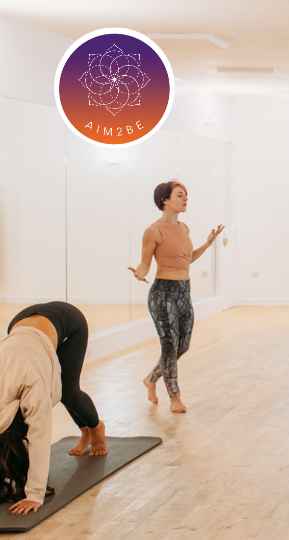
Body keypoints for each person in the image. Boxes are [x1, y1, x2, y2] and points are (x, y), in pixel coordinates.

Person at [0, 302, 107, 515]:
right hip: (20, 326)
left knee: (69, 392)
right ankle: (85, 430)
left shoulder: (33, 387)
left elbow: (39, 436)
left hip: (68, 322)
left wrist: (35, 494)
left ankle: (96, 429)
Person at [128, 179, 224, 413]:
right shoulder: (153, 231)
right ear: (165, 200)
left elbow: (187, 258)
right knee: (169, 346)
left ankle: (151, 379)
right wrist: (139, 273)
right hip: (163, 294)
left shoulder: (184, 229)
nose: (185, 199)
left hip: (184, 292)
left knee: (183, 345)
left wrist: (208, 244)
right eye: (180, 195)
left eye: (186, 195)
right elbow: (145, 263)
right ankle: (175, 397)